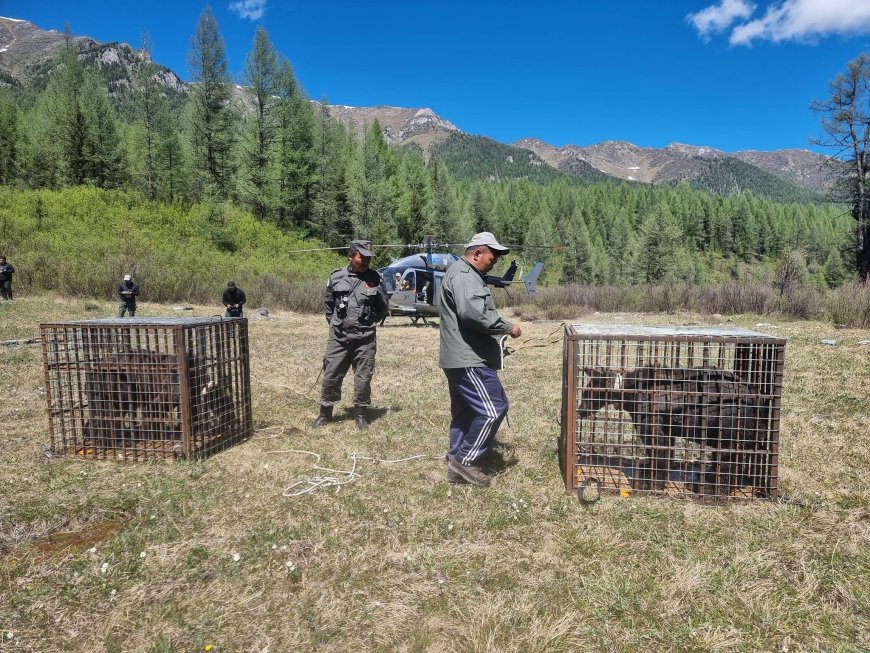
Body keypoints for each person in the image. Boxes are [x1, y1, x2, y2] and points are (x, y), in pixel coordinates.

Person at [439, 232, 522, 487]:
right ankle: (464, 460)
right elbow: (474, 314)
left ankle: (455, 457)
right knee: (493, 408)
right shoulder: (465, 276)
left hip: (459, 356)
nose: (494, 262)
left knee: (466, 411)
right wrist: (508, 327)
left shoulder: (462, 273)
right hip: (469, 357)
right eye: (492, 257)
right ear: (477, 254)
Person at [312, 239, 389, 430]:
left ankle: (361, 414)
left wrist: (367, 323)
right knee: (331, 375)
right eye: (361, 257)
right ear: (350, 255)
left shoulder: (376, 278)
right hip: (339, 338)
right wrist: (338, 325)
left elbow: (382, 307)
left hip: (365, 339)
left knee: (363, 378)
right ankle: (325, 413)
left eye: (368, 258)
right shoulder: (336, 277)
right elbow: (329, 306)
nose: (365, 261)